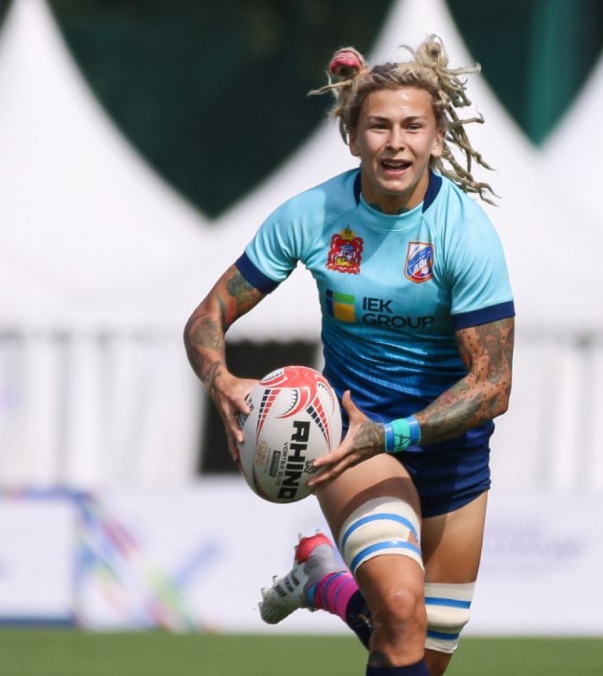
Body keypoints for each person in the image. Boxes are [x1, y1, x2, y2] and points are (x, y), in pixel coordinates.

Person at [184, 35, 514, 676]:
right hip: (347, 443)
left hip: (452, 454)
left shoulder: (466, 235)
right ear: (353, 136)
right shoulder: (313, 215)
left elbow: (493, 385)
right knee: (400, 608)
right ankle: (338, 581)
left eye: (413, 127)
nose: (396, 143)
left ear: (436, 138)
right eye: (379, 126)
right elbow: (206, 318)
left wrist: (391, 433)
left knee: (419, 655)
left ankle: (325, 582)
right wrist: (219, 379)